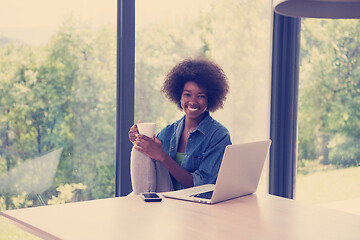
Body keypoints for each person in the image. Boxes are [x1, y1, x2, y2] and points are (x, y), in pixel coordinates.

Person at [128, 57, 231, 194]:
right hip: (166, 197)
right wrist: (140, 141)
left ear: (210, 99)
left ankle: (140, 204)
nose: (193, 101)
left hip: (195, 201)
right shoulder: (169, 132)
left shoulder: (218, 136)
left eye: (200, 96)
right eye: (187, 94)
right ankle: (140, 202)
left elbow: (202, 185)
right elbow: (148, 169)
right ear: (179, 96)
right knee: (139, 149)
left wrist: (163, 156)